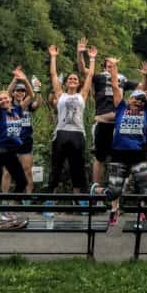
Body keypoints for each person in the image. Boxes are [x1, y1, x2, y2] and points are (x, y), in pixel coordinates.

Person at [91, 60, 147, 226]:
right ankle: (98, 191)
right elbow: (114, 86)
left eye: (142, 100)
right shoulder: (120, 108)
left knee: (145, 191)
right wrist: (113, 68)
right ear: (129, 99)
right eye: (135, 99)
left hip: (138, 154)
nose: (138, 102)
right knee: (113, 192)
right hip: (119, 154)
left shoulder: (146, 112)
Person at [82, 38, 140, 186]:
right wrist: (85, 56)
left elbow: (141, 87)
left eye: (113, 65)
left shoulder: (122, 80)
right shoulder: (100, 76)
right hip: (103, 122)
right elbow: (84, 70)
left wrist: (145, 77)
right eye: (108, 65)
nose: (110, 67)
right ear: (105, 67)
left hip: (119, 125)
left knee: (119, 158)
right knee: (100, 158)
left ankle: (116, 192)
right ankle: (96, 190)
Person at [45, 44, 92, 194]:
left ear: (78, 83)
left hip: (77, 133)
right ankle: (50, 199)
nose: (72, 79)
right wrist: (53, 57)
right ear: (65, 83)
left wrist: (91, 59)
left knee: (77, 168)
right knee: (56, 167)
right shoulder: (61, 95)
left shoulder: (82, 95)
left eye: (75, 78)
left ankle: (77, 200)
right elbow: (53, 75)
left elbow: (90, 76)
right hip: (61, 132)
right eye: (70, 78)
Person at [0, 65, 27, 195]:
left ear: (10, 98)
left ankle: (10, 207)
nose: (3, 100)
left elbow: (30, 95)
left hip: (10, 153)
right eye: (0, 99)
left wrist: (20, 79)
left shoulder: (17, 110)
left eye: (5, 98)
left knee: (22, 182)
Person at [2, 67, 39, 194]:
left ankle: (27, 199)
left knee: (27, 170)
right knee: (7, 171)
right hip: (11, 139)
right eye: (18, 90)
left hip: (26, 139)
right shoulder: (8, 104)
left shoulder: (27, 104)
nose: (20, 93)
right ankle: (4, 200)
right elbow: (6, 93)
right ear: (13, 93)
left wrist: (35, 89)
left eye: (22, 91)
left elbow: (36, 102)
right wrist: (15, 78)